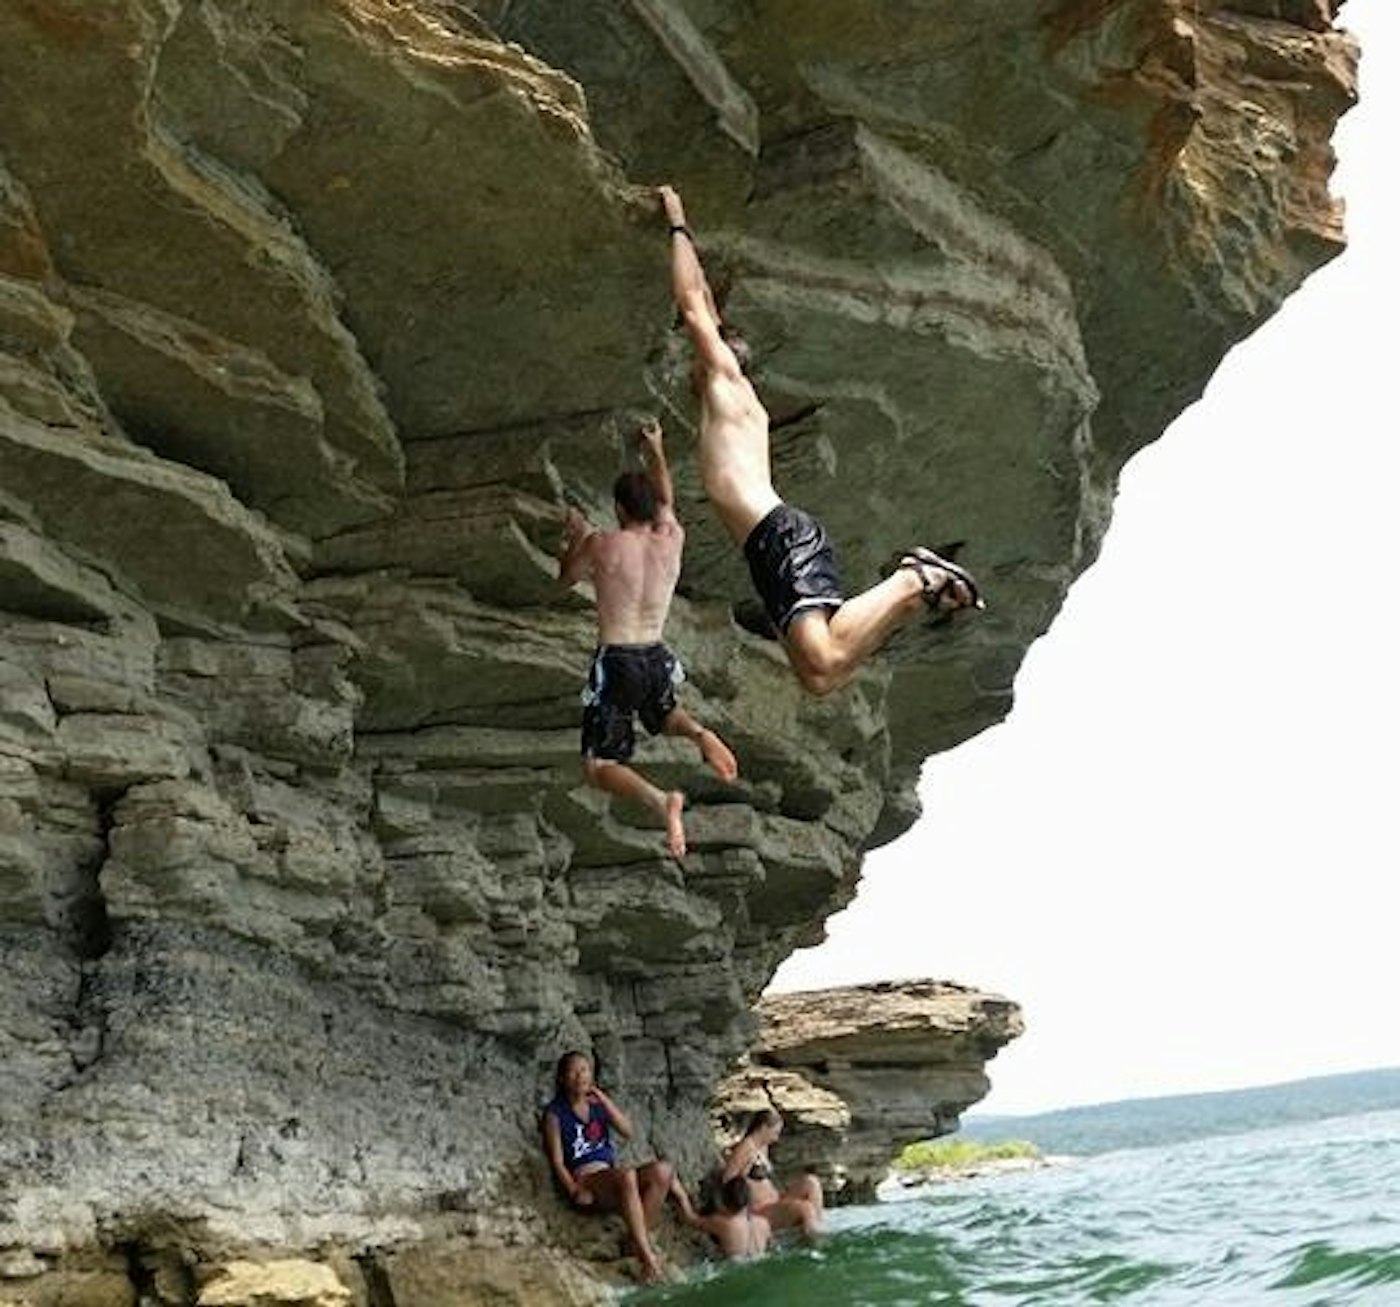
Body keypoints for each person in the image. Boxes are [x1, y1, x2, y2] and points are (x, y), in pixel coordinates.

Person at [659, 184, 985, 697]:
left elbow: (695, 305)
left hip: (779, 535)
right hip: (769, 544)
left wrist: (676, 222)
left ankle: (913, 578)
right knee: (819, 676)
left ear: (722, 355)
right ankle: (913, 591)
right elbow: (706, 311)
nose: (688, 364)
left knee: (825, 661)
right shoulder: (730, 396)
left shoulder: (727, 384)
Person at [558, 418, 738, 858]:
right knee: (663, 710)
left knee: (599, 767)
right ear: (654, 510)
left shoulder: (602, 543)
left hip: (617, 660)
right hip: (656, 654)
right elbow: (666, 501)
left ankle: (662, 802)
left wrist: (576, 536)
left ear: (619, 509)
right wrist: (655, 449)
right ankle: (697, 734)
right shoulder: (672, 537)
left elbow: (565, 579)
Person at [542, 1050, 675, 1283]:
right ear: (562, 1078)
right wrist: (574, 1190)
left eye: (584, 1069)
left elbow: (628, 1131)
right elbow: (557, 1161)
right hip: (587, 1181)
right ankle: (647, 1259)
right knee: (626, 1176)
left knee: (663, 1171)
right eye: (573, 1071)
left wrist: (603, 1100)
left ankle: (634, 1241)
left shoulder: (598, 1105)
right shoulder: (556, 1113)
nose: (580, 1075)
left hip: (612, 1178)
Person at [721, 1108, 824, 1239]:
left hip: (775, 1201)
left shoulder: (764, 1146)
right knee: (805, 1208)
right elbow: (727, 1181)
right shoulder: (744, 1148)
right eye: (775, 1132)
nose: (776, 1138)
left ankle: (817, 1227)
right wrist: (745, 1173)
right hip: (761, 1209)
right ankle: (816, 1247)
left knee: (811, 1182)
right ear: (764, 1127)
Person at [669, 1172, 772, 1261]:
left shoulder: (724, 1223)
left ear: (723, 1203)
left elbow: (690, 1219)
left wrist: (681, 1194)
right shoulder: (764, 1223)